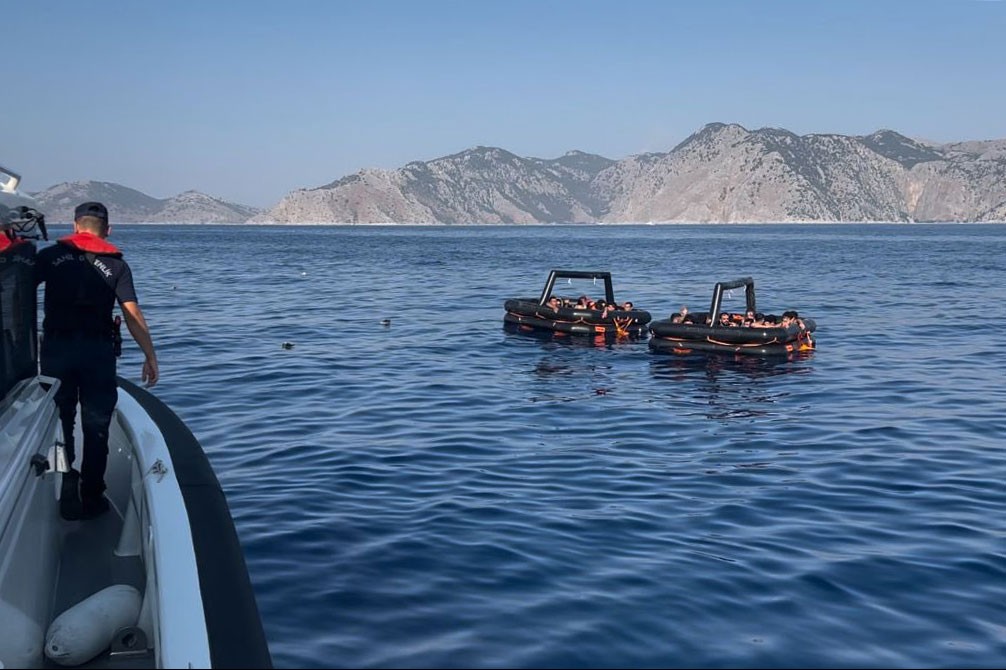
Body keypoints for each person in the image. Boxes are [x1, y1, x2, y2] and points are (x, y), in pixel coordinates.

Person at [35, 202, 159, 520]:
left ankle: (66, 485)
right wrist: (150, 354)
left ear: (75, 226)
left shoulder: (49, 257)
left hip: (56, 350)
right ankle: (92, 495)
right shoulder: (117, 266)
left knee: (61, 421)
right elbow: (131, 314)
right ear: (108, 230)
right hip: (97, 354)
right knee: (96, 425)